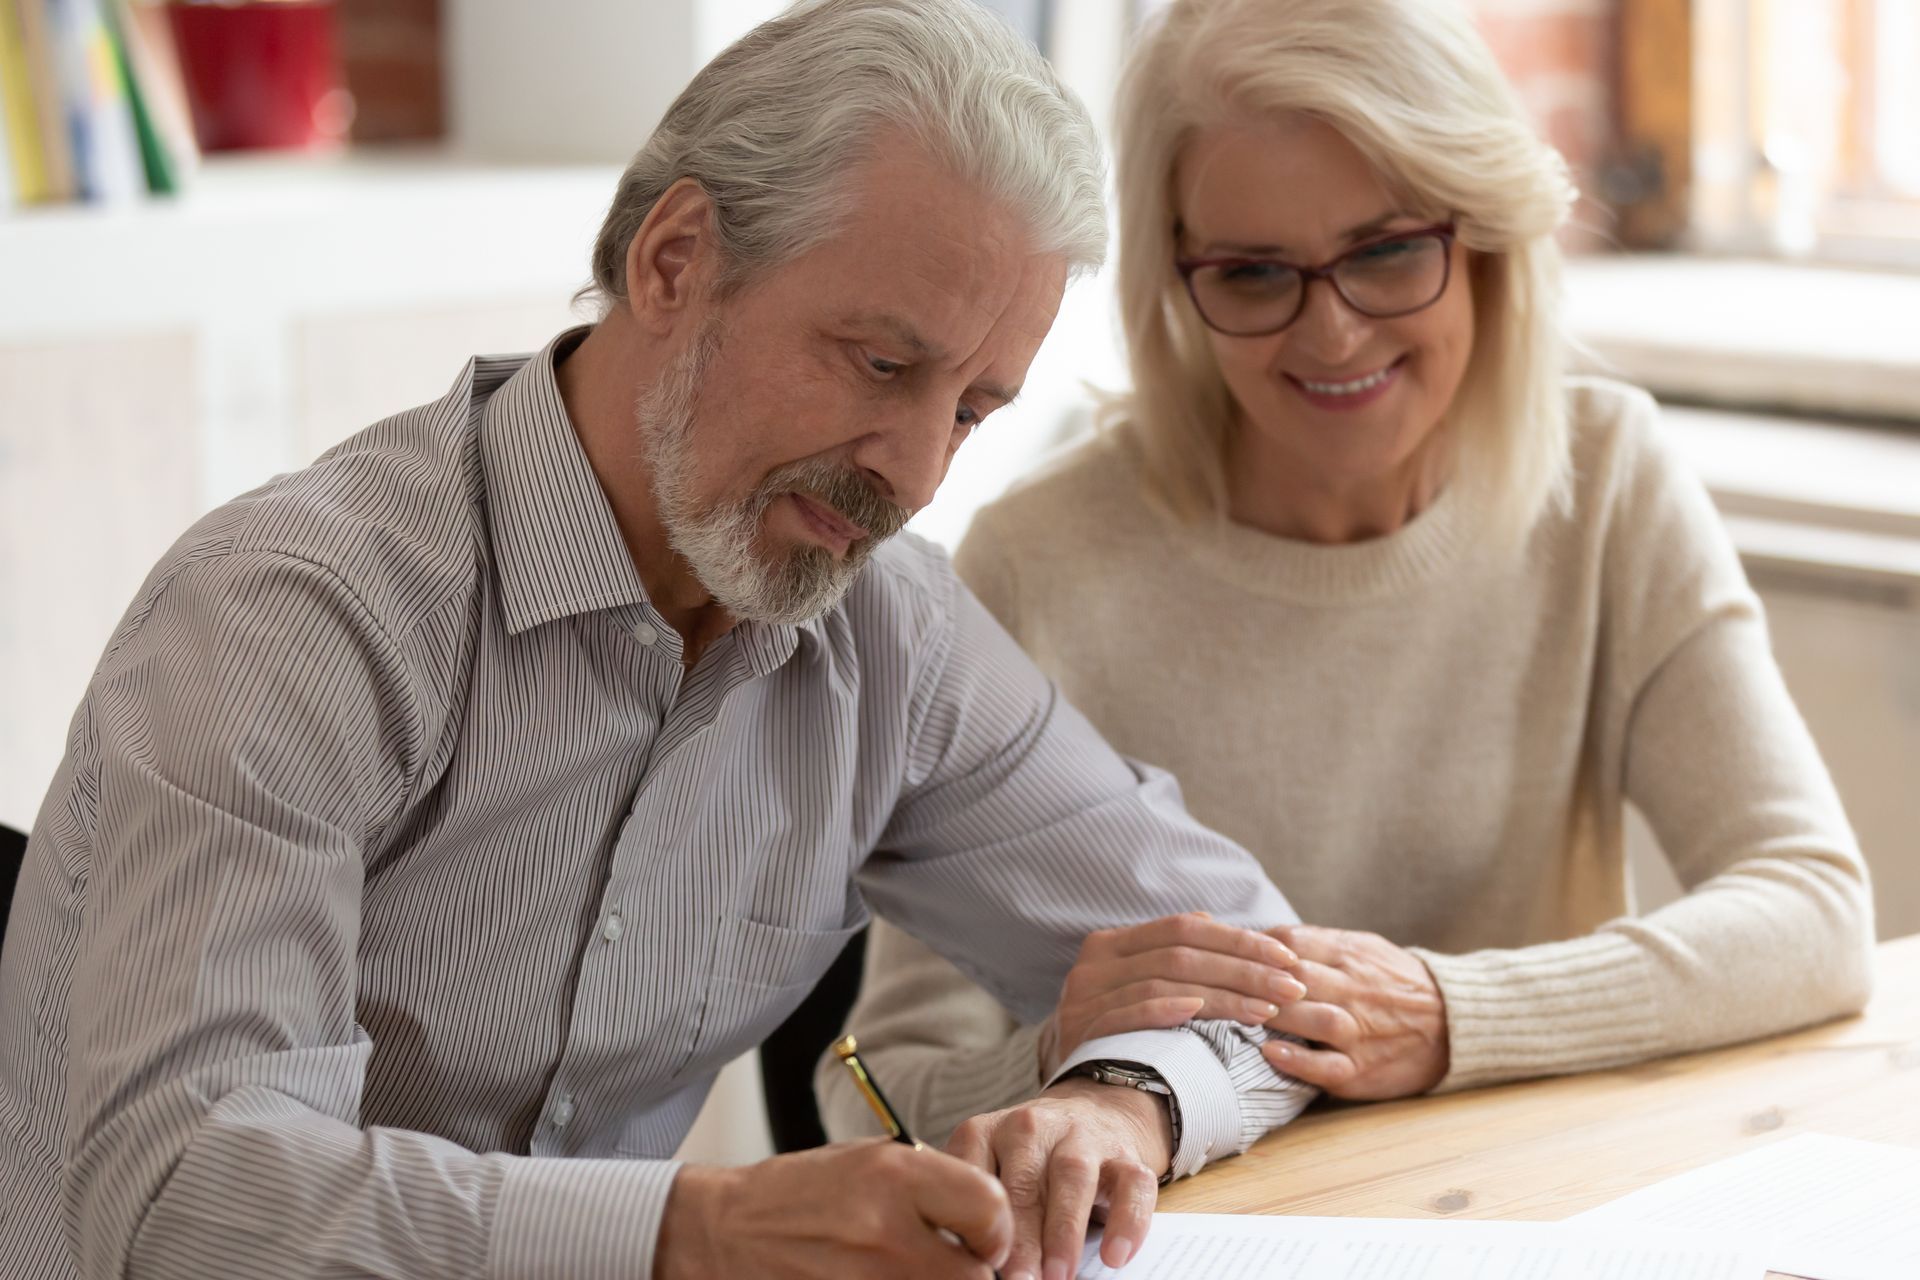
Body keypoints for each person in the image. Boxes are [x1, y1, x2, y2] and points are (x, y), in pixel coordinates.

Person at [0, 3, 1323, 1278]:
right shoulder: (291, 619)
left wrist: (1119, 1107)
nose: (916, 473)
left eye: (972, 409)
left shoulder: (888, 635)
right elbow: (184, 1203)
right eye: (877, 364)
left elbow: (1274, 985)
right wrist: (700, 1237)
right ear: (675, 259)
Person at [819, 0, 1876, 1148]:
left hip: (1534, 1207)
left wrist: (1443, 1014)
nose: (1329, 336)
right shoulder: (1036, 559)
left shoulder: (1607, 477)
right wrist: (1062, 1059)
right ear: (1176, 278)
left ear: (1483, 235)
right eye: (1255, 274)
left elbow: (1812, 908)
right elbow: (876, 1091)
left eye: (1384, 251)